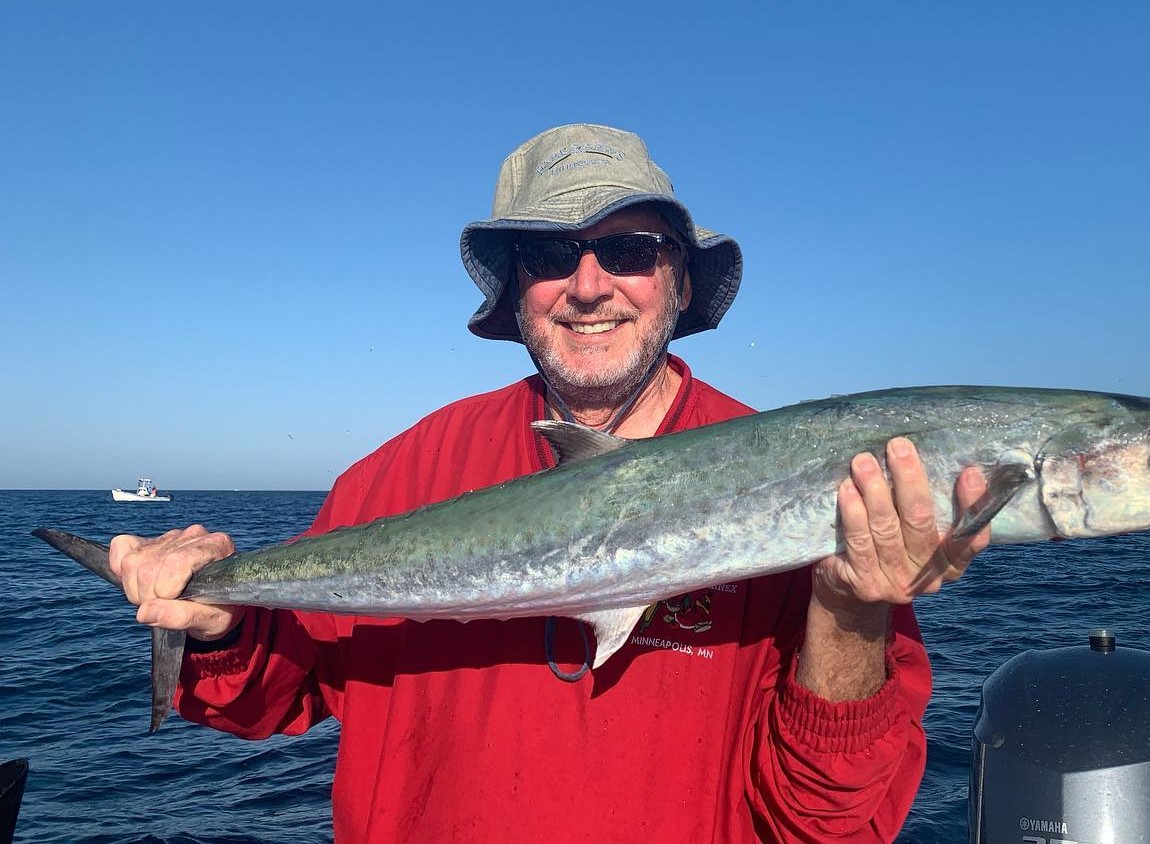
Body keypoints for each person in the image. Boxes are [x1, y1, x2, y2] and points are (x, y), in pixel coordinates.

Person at [109, 124, 991, 842]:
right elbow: (279, 692)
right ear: (517, 291)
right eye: (548, 254)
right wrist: (219, 625)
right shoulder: (401, 474)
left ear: (679, 281)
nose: (588, 285)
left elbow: (828, 822)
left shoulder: (820, 490)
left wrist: (850, 608)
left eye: (629, 249)